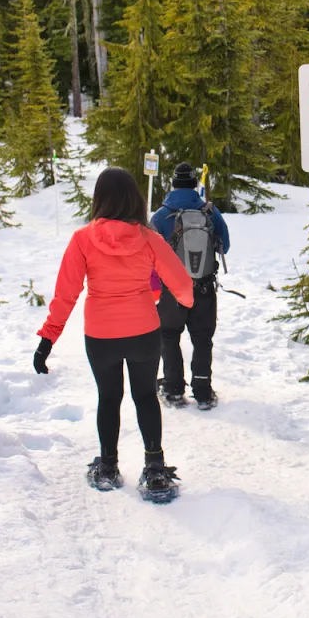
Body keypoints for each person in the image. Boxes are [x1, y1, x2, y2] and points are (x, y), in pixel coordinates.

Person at [32, 167, 194, 500]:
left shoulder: (82, 239)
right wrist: (185, 304)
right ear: (134, 198)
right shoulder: (149, 239)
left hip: (101, 334)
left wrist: (47, 339)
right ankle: (155, 470)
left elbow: (66, 294)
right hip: (144, 331)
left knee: (109, 397)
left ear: (100, 199)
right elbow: (182, 284)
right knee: (146, 396)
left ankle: (108, 466)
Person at [150, 162, 230, 411]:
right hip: (204, 288)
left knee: (169, 336)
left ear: (172, 185)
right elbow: (224, 247)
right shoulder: (210, 212)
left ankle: (174, 390)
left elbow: (150, 254)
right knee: (202, 339)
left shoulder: (161, 215)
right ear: (195, 185)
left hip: (172, 290)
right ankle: (203, 392)